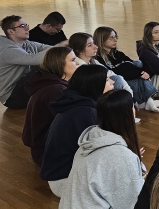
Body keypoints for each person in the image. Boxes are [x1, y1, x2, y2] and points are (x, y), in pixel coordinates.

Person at [58, 90, 145, 209]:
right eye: (132, 107)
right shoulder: (120, 156)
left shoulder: (91, 141)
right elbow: (130, 207)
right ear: (127, 114)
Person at [40, 65, 114, 197]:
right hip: (65, 181)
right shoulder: (85, 112)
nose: (112, 82)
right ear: (96, 85)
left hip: (60, 175)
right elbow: (100, 152)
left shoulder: (76, 103)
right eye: (107, 80)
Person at [22, 46, 80, 166]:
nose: (77, 63)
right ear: (60, 64)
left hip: (48, 149)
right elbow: (72, 124)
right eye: (73, 60)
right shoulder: (56, 91)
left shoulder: (52, 84)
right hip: (49, 153)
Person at [0, 15, 61, 108]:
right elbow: (34, 59)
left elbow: (49, 48)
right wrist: (61, 45)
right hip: (11, 98)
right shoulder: (8, 50)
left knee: (52, 63)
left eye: (26, 25)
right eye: (22, 26)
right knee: (43, 67)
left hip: (21, 88)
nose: (27, 28)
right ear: (11, 31)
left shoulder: (27, 44)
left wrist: (64, 48)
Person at [93, 26, 159, 112]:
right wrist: (139, 73)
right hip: (115, 81)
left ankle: (147, 101)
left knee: (138, 63)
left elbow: (132, 64)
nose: (115, 40)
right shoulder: (98, 58)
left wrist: (145, 72)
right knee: (135, 77)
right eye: (111, 38)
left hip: (126, 76)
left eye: (116, 37)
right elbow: (116, 72)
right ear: (101, 39)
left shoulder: (117, 53)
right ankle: (147, 101)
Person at [69, 31, 134, 96]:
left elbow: (111, 73)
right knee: (117, 79)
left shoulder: (94, 61)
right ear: (79, 51)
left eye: (94, 43)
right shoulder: (79, 67)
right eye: (90, 45)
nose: (96, 47)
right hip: (96, 97)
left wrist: (129, 93)